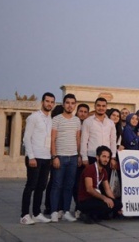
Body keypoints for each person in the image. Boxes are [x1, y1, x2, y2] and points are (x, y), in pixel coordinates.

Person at [20, 92, 55, 225]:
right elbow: (26, 138)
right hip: (34, 157)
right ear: (42, 102)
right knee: (30, 186)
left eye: (52, 102)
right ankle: (24, 214)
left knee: (41, 186)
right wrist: (31, 156)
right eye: (47, 101)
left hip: (46, 157)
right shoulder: (33, 117)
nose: (49, 104)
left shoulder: (50, 119)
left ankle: (36, 213)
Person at [50, 93, 81, 223]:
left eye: (72, 103)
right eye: (67, 103)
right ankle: (54, 212)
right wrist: (54, 156)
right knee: (57, 185)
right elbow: (52, 139)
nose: (70, 105)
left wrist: (79, 155)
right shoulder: (56, 119)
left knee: (69, 185)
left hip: (73, 157)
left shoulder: (77, 120)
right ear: (63, 104)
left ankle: (66, 211)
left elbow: (78, 138)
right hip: (60, 157)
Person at [77, 146, 122, 224]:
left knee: (118, 204)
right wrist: (104, 198)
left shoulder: (104, 171)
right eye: (104, 157)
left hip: (96, 198)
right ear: (97, 157)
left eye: (108, 157)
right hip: (86, 200)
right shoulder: (90, 169)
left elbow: (107, 189)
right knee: (104, 205)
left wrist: (113, 202)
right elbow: (89, 189)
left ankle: (95, 215)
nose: (106, 160)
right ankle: (84, 213)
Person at [80, 98, 117, 176]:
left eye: (103, 106)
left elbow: (113, 141)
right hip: (92, 156)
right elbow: (84, 140)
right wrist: (84, 157)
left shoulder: (110, 123)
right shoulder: (88, 121)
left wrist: (113, 157)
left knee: (105, 183)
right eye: (99, 105)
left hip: (106, 158)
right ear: (95, 106)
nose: (101, 108)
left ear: (106, 107)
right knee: (91, 183)